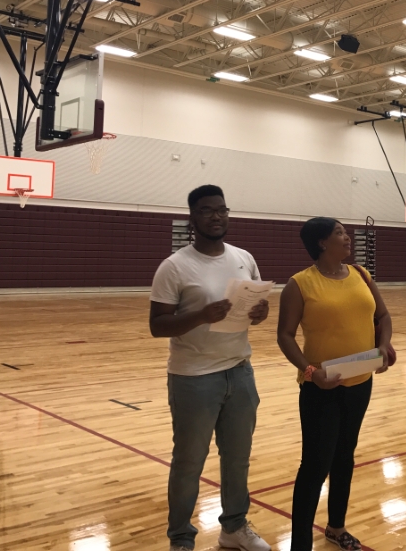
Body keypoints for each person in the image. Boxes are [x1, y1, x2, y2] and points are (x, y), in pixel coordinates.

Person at [149, 184, 272, 551]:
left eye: (222, 209)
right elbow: (158, 325)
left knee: (237, 459)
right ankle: (181, 539)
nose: (217, 216)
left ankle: (233, 527)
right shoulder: (174, 266)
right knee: (189, 463)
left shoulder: (243, 257)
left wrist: (261, 313)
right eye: (207, 210)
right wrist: (201, 315)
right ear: (193, 217)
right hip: (193, 377)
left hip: (240, 370)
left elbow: (253, 308)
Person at [277, 217, 395, 551]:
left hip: (361, 380)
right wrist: (311, 372)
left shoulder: (361, 274)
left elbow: (382, 317)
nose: (348, 237)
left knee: (344, 456)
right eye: (340, 233)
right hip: (320, 388)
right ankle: (300, 544)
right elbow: (284, 336)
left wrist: (383, 344)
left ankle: (336, 527)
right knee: (315, 466)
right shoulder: (299, 284)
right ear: (321, 243)